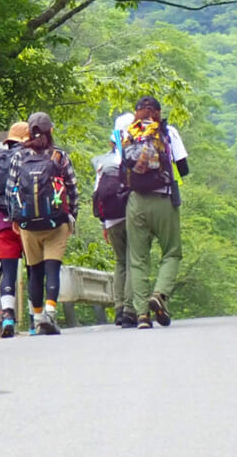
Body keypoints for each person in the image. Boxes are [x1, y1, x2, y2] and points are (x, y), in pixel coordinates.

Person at [5, 112, 78, 336]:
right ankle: (50, 313)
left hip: (28, 224)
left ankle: (37, 318)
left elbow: (10, 189)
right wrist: (72, 215)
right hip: (56, 222)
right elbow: (72, 187)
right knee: (52, 268)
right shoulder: (59, 156)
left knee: (34, 271)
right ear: (50, 131)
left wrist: (15, 217)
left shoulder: (19, 156)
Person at [121, 96, 189, 329]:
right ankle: (159, 294)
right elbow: (184, 168)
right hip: (163, 199)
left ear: (137, 112)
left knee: (138, 259)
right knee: (171, 252)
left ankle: (142, 316)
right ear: (158, 112)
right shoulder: (167, 131)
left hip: (136, 201)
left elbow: (122, 166)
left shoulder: (128, 132)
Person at [0, 121, 30, 338]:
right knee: (34, 271)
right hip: (30, 225)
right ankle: (35, 317)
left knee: (8, 273)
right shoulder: (31, 159)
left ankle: (8, 316)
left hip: (3, 224)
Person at [92, 123, 136, 327]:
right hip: (130, 215)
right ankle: (129, 308)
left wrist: (103, 224)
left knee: (120, 263)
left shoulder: (102, 163)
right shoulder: (130, 158)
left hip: (110, 220)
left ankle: (118, 309)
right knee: (133, 261)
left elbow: (97, 194)